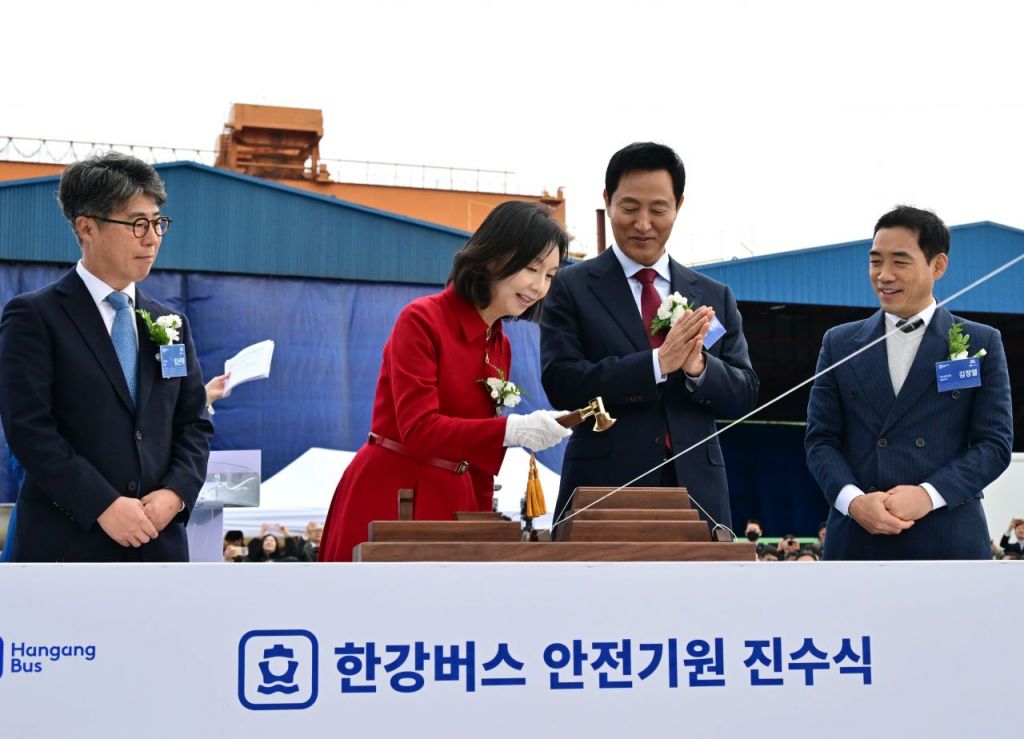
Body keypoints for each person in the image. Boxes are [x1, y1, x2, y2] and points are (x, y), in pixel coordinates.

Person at [318, 201, 571, 561]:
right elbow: (418, 428)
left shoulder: (500, 343)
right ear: (493, 257)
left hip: (456, 499)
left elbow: (481, 459)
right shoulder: (422, 319)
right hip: (395, 495)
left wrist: (484, 521)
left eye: (550, 276)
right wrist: (512, 430)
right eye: (531, 268)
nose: (539, 286)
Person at [0, 152, 213, 562]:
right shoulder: (35, 316)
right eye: (137, 223)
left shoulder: (170, 323)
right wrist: (101, 504)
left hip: (157, 542)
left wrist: (175, 493)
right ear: (87, 227)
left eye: (158, 223)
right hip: (66, 545)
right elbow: (29, 430)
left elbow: (194, 423)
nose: (152, 238)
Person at [540, 142, 758, 537]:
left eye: (658, 210)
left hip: (699, 492)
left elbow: (744, 392)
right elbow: (561, 382)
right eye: (629, 208)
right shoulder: (572, 286)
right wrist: (657, 364)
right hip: (602, 487)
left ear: (678, 206)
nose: (643, 224)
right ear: (608, 201)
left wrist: (698, 367)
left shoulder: (713, 295)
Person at [805, 206, 1013, 560]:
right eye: (875, 261)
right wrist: (854, 502)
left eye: (899, 262)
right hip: (857, 539)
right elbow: (820, 440)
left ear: (938, 265)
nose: (884, 275)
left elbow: (994, 444)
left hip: (948, 538)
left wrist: (928, 495)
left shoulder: (982, 342)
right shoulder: (838, 342)